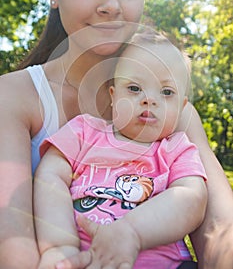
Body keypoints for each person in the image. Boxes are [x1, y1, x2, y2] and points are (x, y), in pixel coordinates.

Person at [0, 0, 232, 268]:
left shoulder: (171, 109)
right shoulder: (14, 97)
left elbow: (220, 228)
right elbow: (12, 239)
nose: (111, 5)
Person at [34, 31, 208, 269]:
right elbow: (49, 176)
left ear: (182, 107)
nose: (149, 99)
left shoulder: (176, 148)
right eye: (135, 88)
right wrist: (58, 245)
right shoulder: (84, 131)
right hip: (84, 257)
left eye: (167, 92)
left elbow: (192, 198)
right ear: (113, 96)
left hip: (161, 263)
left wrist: (132, 231)